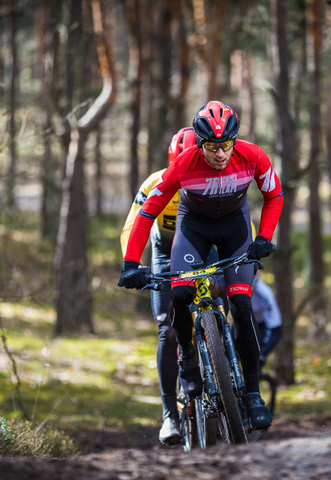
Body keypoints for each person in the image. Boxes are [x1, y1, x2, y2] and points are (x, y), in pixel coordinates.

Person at [118, 100, 283, 431]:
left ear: (234, 141)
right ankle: (188, 363)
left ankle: (252, 394)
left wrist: (263, 237)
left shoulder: (252, 156)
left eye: (225, 146)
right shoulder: (180, 167)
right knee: (177, 300)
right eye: (211, 147)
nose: (219, 154)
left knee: (241, 303)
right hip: (190, 232)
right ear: (200, 145)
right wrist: (131, 264)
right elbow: (144, 215)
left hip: (234, 227)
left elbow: (274, 195)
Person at [120, 126, 197, 445]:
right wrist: (134, 265)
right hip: (164, 250)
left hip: (204, 246)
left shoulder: (210, 179)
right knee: (168, 329)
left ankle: (227, 365)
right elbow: (132, 226)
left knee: (228, 300)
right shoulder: (155, 183)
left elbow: (238, 219)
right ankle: (170, 414)